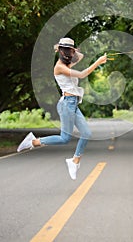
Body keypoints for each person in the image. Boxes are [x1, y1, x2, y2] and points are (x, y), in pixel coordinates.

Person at [17, 37, 107, 180]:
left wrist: (72, 49)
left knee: (86, 133)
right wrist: (99, 62)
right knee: (65, 138)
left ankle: (75, 160)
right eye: (66, 51)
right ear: (60, 52)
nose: (69, 54)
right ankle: (33, 142)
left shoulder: (67, 62)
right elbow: (83, 74)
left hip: (73, 103)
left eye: (70, 51)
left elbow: (80, 57)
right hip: (66, 104)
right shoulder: (60, 67)